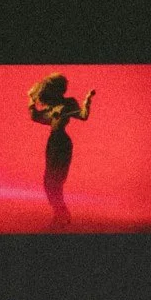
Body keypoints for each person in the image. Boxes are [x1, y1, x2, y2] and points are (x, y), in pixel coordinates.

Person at [28, 72, 95, 230]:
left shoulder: (69, 103)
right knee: (48, 182)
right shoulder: (51, 107)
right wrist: (30, 99)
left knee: (56, 181)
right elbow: (35, 116)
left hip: (63, 144)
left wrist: (88, 100)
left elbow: (83, 116)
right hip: (52, 143)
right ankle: (61, 213)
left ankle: (61, 215)